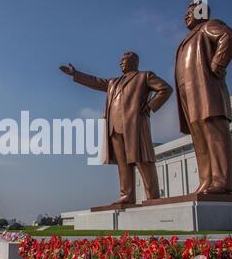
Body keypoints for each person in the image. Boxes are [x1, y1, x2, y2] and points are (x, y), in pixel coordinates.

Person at [60, 52, 172, 204]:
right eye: (120, 61)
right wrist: (76, 74)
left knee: (142, 160)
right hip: (114, 127)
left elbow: (165, 89)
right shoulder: (113, 82)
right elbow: (95, 81)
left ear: (134, 62)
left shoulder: (144, 76)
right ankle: (127, 195)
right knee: (123, 164)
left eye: (124, 61)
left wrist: (150, 106)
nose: (120, 63)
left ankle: (152, 196)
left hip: (134, 125)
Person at [175, 1, 232, 194]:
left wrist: (218, 63)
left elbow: (229, 35)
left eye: (190, 12)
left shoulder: (208, 26)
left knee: (215, 134)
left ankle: (222, 181)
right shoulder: (189, 38)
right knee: (200, 139)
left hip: (206, 90)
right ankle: (206, 180)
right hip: (190, 94)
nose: (186, 16)